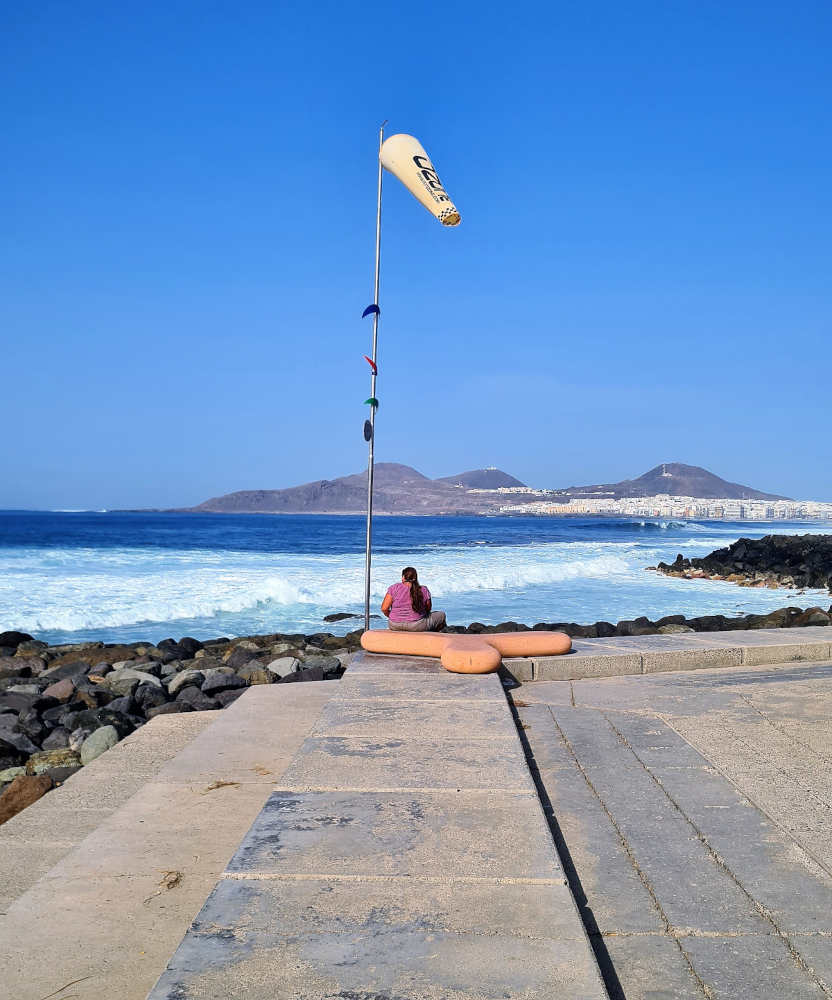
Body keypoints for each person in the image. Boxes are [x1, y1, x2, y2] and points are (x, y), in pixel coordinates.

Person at [381, 566, 446, 632]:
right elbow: (428, 608)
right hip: (416, 625)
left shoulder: (394, 588)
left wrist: (394, 616)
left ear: (403, 577)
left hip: (394, 625)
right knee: (441, 615)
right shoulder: (423, 589)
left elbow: (384, 608)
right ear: (415, 578)